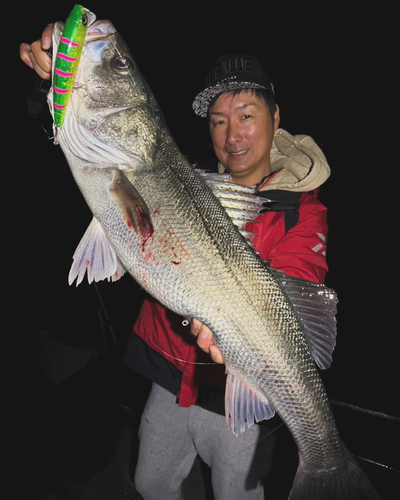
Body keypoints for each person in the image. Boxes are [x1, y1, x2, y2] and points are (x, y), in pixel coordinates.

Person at [20, 31, 331, 500]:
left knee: (236, 492)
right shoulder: (179, 173)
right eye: (218, 120)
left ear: (276, 117)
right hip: (166, 374)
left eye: (247, 116)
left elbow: (301, 279)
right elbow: (76, 142)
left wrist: (241, 333)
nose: (232, 135)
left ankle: (326, 460)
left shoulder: (304, 210)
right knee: (151, 482)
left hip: (238, 386)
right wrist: (50, 88)